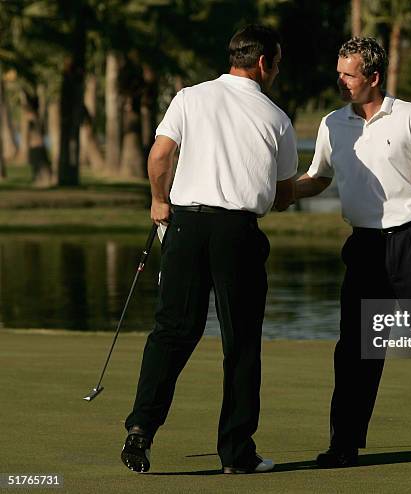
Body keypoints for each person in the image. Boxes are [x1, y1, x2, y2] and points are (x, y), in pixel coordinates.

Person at [293, 37, 411, 467]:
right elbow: (317, 178)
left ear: (373, 77)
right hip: (364, 246)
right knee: (357, 348)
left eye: (349, 74)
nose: (341, 81)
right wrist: (279, 193)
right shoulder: (331, 124)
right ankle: (344, 444)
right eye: (339, 72)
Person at [121, 24, 297, 475]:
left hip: (186, 227)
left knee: (172, 331)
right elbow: (281, 195)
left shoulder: (189, 97)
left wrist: (159, 200)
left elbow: (160, 156)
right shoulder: (277, 118)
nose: (276, 71)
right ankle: (237, 454)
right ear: (263, 63)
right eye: (276, 63)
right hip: (237, 232)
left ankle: (140, 429)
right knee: (240, 343)